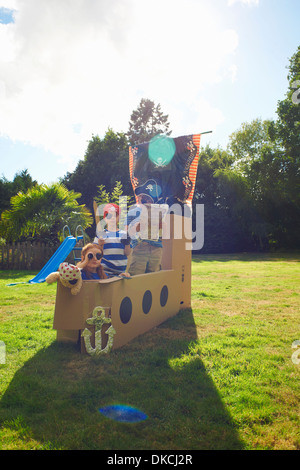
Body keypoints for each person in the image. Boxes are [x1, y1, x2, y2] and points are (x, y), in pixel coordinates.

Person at [124, 194, 166, 276]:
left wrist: (162, 226)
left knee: (154, 276)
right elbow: (126, 233)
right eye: (143, 199)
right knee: (136, 275)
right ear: (139, 198)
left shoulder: (159, 212)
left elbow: (165, 233)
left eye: (149, 198)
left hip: (156, 247)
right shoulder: (132, 212)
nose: (147, 201)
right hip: (140, 246)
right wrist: (136, 228)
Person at [93, 203, 131, 278]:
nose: (112, 218)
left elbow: (127, 253)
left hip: (121, 272)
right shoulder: (101, 234)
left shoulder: (123, 234)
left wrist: (127, 243)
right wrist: (100, 245)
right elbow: (96, 254)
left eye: (115, 215)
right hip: (104, 271)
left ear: (119, 218)